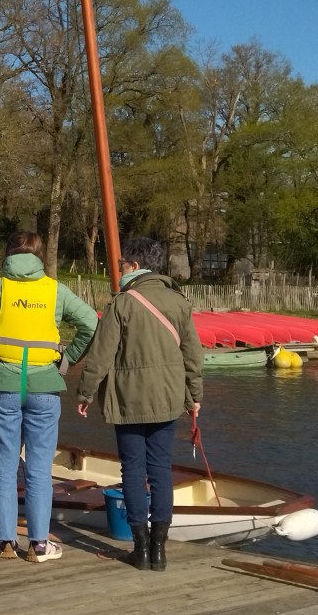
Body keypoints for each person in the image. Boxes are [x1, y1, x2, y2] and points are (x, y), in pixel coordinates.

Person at [0, 231, 98, 563]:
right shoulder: (54, 289)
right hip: (44, 386)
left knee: (3, 465)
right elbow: (90, 321)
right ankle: (38, 544)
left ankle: (5, 542)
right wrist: (68, 358)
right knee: (37, 468)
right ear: (38, 255)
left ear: (8, 254)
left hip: (2, 383)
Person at [76, 237, 203, 572]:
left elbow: (101, 355)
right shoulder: (178, 301)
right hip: (167, 397)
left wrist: (85, 393)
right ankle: (160, 552)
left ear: (133, 265)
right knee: (160, 470)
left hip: (128, 399)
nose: (118, 271)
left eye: (121, 265)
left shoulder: (121, 304)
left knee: (132, 470)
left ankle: (140, 548)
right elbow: (192, 356)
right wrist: (195, 398)